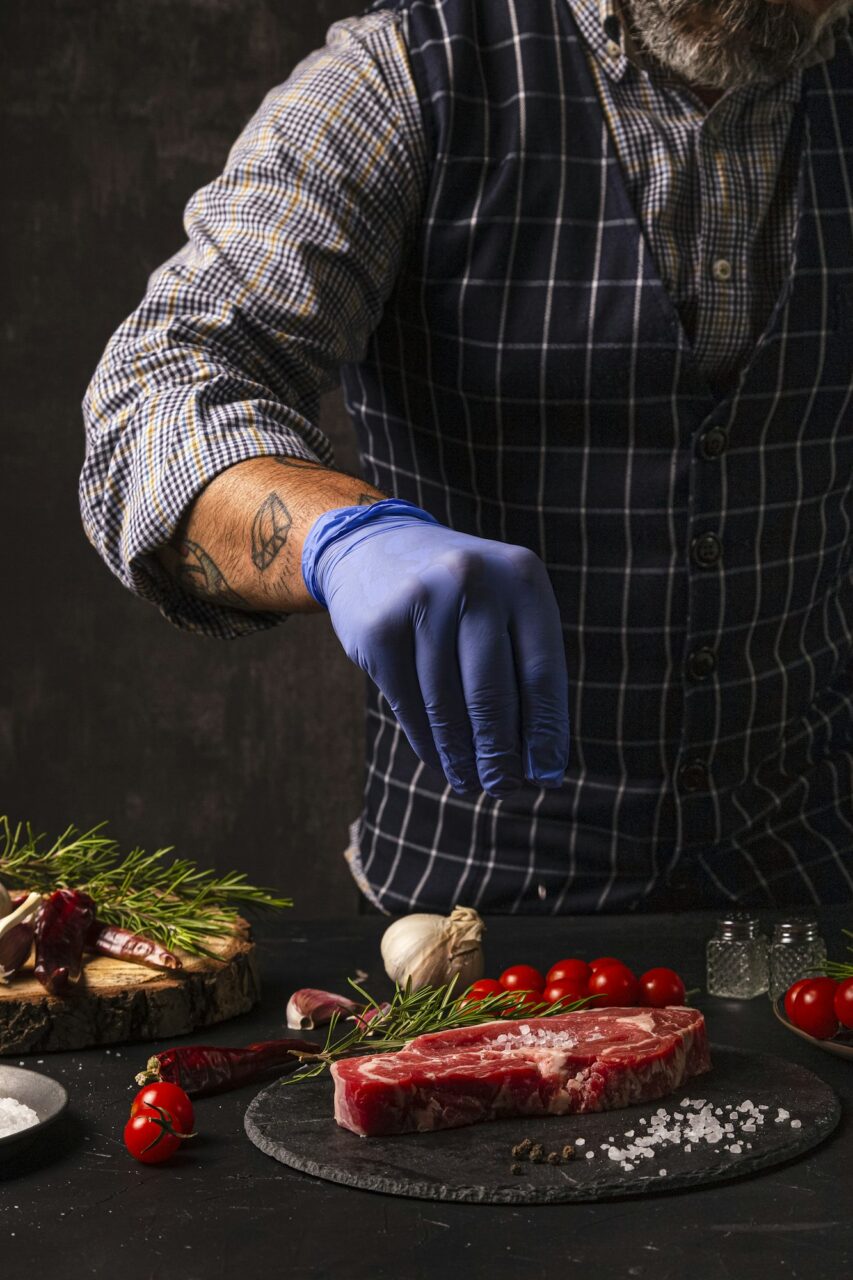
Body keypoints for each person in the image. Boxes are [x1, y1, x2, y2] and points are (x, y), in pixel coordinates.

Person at [81, 0, 853, 916]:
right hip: (472, 906)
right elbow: (158, 390)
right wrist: (340, 538)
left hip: (814, 884)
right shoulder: (401, 77)